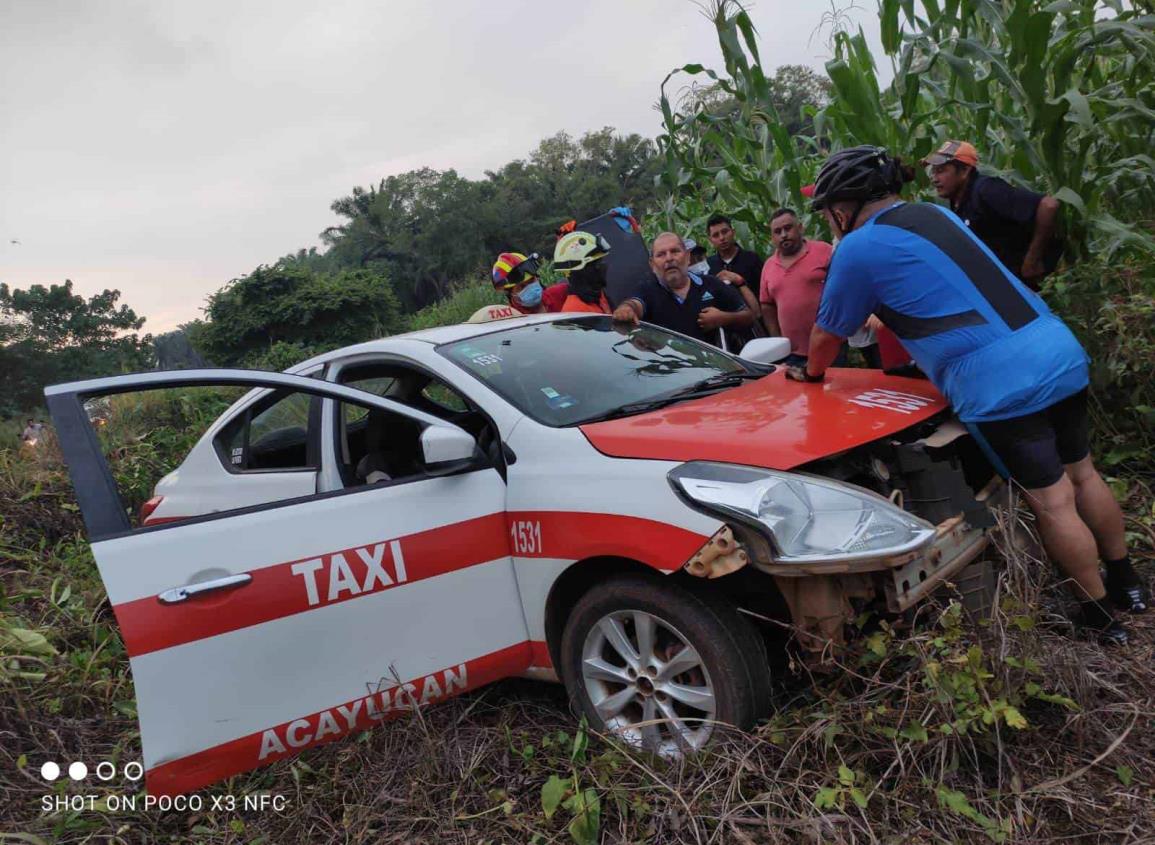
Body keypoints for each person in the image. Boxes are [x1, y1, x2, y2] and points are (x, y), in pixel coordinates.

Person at [791, 144, 1145, 644]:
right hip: (1055, 348)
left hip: (1001, 381)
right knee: (1083, 473)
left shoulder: (856, 247)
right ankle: (1128, 582)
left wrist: (808, 375)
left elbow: (828, 337)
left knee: (1054, 501)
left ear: (842, 209)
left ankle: (1101, 617)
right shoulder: (934, 213)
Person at [923, 140, 1062, 291]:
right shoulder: (958, 200)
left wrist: (1031, 260)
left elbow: (1049, 205)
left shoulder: (987, 190)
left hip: (1028, 281)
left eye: (942, 170)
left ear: (964, 171)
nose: (934, 179)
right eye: (934, 171)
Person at [612, 232, 754, 348]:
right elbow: (635, 304)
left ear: (687, 257)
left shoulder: (712, 284)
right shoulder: (647, 291)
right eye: (661, 254)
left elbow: (749, 316)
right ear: (652, 264)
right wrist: (626, 309)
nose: (669, 258)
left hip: (719, 377)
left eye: (675, 251)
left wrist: (722, 318)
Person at [759, 208, 837, 367]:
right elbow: (767, 305)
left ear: (800, 227)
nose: (783, 235)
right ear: (772, 237)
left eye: (788, 228)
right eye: (777, 231)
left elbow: (844, 289)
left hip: (829, 345)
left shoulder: (824, 251)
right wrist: (777, 342)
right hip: (792, 354)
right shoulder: (768, 266)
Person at [553, 231, 613, 313]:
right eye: (597, 264)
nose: (602, 267)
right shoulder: (575, 311)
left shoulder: (596, 294)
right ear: (581, 270)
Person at [491, 252, 568, 314]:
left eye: (531, 281)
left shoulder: (561, 293)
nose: (530, 287)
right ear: (510, 293)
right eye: (522, 286)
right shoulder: (510, 320)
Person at [706, 214, 764, 292]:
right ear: (710, 240)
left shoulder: (752, 259)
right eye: (716, 235)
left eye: (725, 232)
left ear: (733, 232)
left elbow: (764, 291)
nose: (722, 238)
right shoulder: (709, 265)